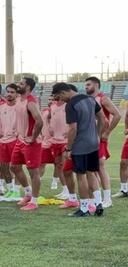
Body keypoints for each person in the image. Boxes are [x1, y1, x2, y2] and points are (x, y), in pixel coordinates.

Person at [52, 82, 105, 217]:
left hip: (80, 145)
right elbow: (102, 118)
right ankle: (99, 203)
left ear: (64, 92)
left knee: (81, 176)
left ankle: (84, 208)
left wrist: (69, 148)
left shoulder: (71, 105)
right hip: (93, 143)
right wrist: (98, 135)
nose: (60, 100)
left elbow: (73, 128)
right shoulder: (90, 99)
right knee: (91, 173)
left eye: (59, 97)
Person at [85, 77, 121, 208]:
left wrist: (107, 132)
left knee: (100, 166)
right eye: (85, 85)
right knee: (92, 169)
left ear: (96, 85)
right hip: (90, 138)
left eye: (88, 84)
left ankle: (107, 199)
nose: (86, 87)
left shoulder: (103, 98)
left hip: (100, 139)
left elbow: (117, 115)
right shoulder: (88, 100)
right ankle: (97, 197)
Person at [10, 77, 43, 211]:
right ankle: (28, 193)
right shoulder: (19, 99)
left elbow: (39, 121)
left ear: (28, 87)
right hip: (20, 140)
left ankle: (34, 202)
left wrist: (33, 137)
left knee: (33, 172)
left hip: (31, 143)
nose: (19, 85)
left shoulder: (30, 102)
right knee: (14, 167)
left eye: (21, 83)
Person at [0, 83, 21, 202]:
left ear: (17, 94)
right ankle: (10, 190)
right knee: (3, 167)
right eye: (8, 92)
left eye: (12, 92)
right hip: (4, 141)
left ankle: (17, 191)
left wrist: (20, 131)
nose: (9, 94)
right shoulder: (2, 106)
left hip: (16, 140)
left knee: (16, 167)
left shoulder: (20, 106)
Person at [49, 94, 70, 200]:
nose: (54, 96)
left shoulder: (68, 105)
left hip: (65, 141)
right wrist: (50, 127)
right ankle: (65, 189)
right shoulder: (52, 106)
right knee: (58, 165)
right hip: (55, 140)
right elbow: (49, 118)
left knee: (63, 166)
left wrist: (70, 131)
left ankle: (69, 191)